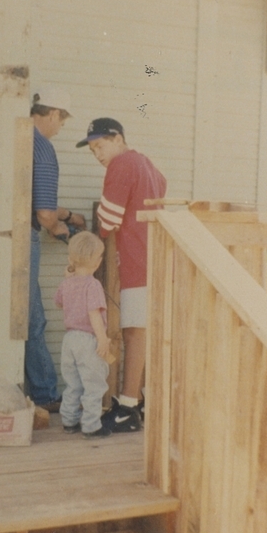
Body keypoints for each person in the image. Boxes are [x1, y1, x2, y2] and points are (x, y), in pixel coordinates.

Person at [76, 117, 167, 432]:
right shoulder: (148, 165)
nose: (98, 154)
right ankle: (137, 401)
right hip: (155, 259)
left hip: (137, 262)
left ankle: (128, 408)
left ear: (117, 138)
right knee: (141, 332)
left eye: (100, 145)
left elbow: (107, 221)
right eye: (92, 150)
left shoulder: (121, 165)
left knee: (134, 332)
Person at [27, 86, 86, 411]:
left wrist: (63, 215)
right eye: (61, 121)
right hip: (26, 240)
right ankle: (45, 394)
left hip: (11, 235)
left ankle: (40, 390)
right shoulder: (44, 148)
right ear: (51, 114)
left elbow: (40, 202)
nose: (60, 128)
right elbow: (44, 214)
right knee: (33, 318)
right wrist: (57, 226)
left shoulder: (21, 142)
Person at [54, 231, 112, 439]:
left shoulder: (66, 283)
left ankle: (69, 420)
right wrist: (103, 339)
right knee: (94, 384)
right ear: (97, 262)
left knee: (73, 383)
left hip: (69, 340)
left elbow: (59, 302)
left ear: (71, 258)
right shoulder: (93, 285)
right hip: (88, 339)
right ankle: (91, 425)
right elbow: (93, 313)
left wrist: (68, 278)